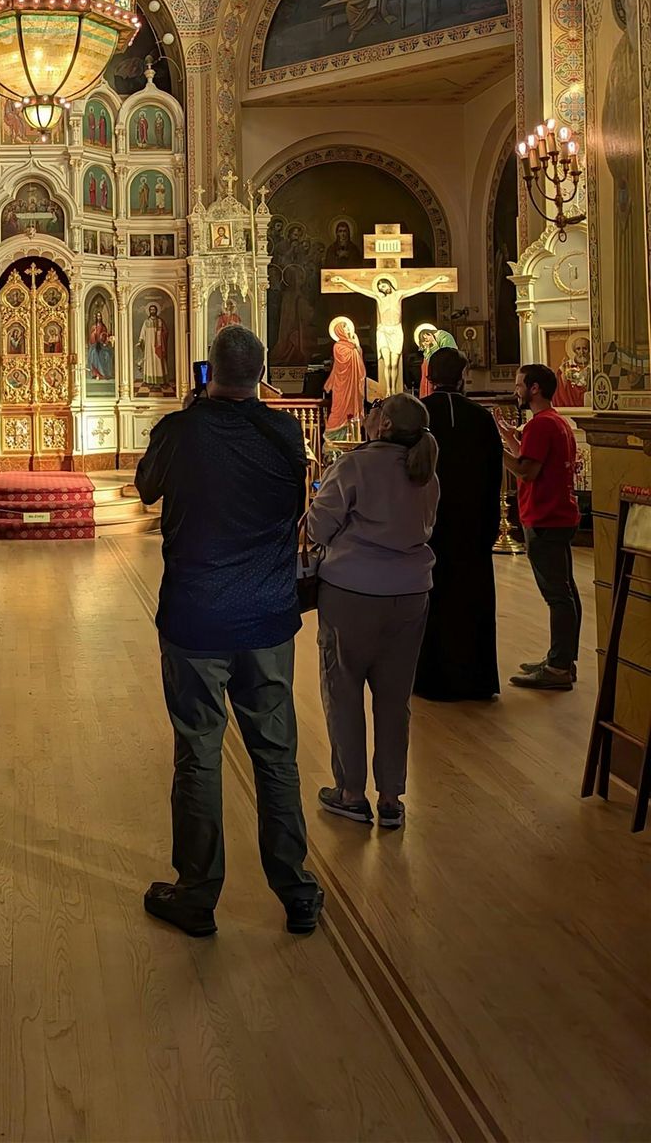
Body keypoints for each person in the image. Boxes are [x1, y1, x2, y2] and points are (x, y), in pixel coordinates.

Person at [134, 326, 324, 939]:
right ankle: (296, 892)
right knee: (276, 756)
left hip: (195, 619)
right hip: (267, 617)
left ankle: (197, 893)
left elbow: (145, 489)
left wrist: (189, 419)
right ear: (261, 371)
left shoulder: (181, 431)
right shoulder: (285, 432)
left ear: (209, 371)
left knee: (198, 754)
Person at [307, 393, 439, 829]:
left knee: (343, 690)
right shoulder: (426, 472)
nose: (370, 413)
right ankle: (390, 797)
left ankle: (349, 791)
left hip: (352, 592)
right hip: (411, 593)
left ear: (383, 426)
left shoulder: (355, 465)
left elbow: (318, 526)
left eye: (376, 410)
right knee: (394, 697)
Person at [414, 349, 502, 701]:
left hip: (429, 527)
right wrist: (490, 523)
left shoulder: (419, 416)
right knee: (471, 600)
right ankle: (476, 679)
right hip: (472, 524)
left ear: (430, 376)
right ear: (463, 374)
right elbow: (494, 476)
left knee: (433, 600)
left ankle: (431, 681)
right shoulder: (480, 417)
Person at [494, 364, 582, 690]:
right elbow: (531, 460)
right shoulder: (554, 422)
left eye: (519, 385)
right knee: (566, 592)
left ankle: (558, 668)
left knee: (558, 596)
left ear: (533, 389)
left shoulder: (540, 426)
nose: (515, 390)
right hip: (559, 516)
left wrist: (496, 450)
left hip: (545, 518)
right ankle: (562, 659)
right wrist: (507, 436)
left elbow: (525, 472)